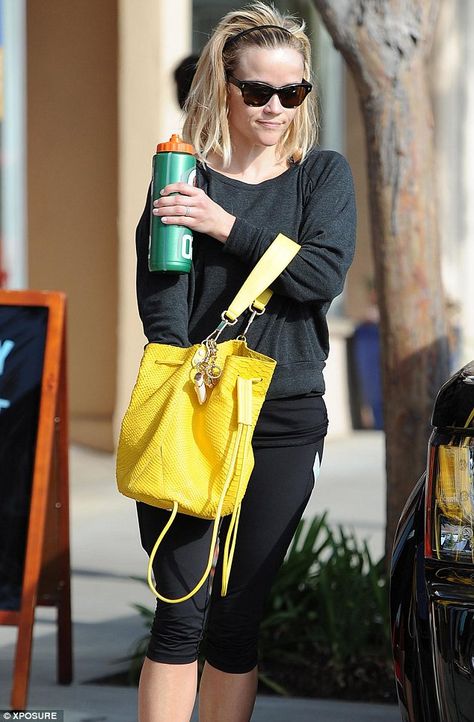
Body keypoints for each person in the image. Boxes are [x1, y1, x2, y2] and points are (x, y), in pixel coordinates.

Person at [134, 3, 356, 721]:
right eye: (257, 91)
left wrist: (224, 226)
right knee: (180, 611)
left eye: (293, 93)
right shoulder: (179, 175)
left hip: (285, 414)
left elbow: (320, 276)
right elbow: (163, 302)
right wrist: (182, 385)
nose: (275, 107)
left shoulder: (321, 176)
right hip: (192, 413)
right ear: (223, 87)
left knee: (236, 620)